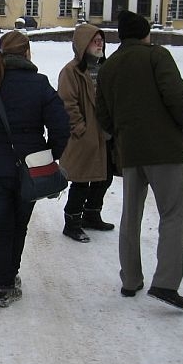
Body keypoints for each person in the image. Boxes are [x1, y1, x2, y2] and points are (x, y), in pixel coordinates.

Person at [96, 10, 183, 310]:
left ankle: (130, 279)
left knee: (131, 214)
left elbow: (103, 113)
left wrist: (120, 133)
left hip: (129, 151)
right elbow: (176, 96)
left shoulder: (109, 66)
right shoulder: (157, 56)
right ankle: (165, 282)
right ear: (145, 33)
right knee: (173, 214)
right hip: (164, 149)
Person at [0, 31, 69, 307]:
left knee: (0, 226)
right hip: (31, 169)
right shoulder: (39, 85)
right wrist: (49, 155)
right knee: (19, 225)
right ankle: (10, 277)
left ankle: (3, 284)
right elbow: (62, 126)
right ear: (27, 53)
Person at [57, 24, 115, 243]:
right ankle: (72, 222)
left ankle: (92, 214)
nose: (99, 44)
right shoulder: (71, 71)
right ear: (83, 44)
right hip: (84, 136)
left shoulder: (106, 68)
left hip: (105, 134)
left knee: (104, 177)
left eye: (101, 40)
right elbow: (67, 103)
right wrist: (80, 127)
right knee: (81, 180)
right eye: (95, 40)